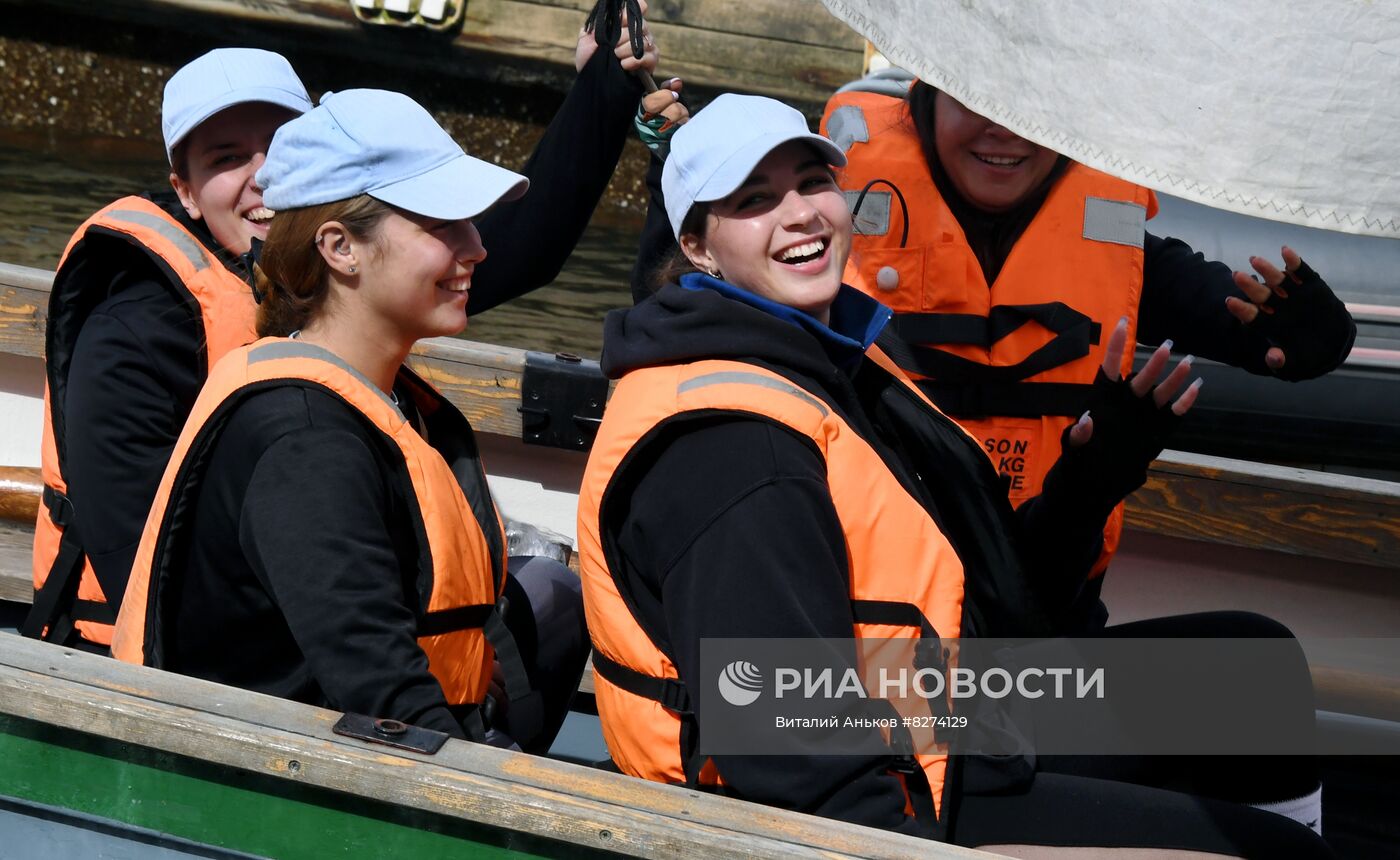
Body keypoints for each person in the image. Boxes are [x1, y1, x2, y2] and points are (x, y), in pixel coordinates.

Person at [578, 94, 1331, 855]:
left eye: (813, 184)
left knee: (1252, 668)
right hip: (890, 791)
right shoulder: (740, 455)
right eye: (754, 201)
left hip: (944, 703)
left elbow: (1005, 605)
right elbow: (794, 757)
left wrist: (1100, 467)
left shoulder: (835, 366)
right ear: (698, 248)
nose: (801, 213)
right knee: (1286, 857)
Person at [29, 25, 666, 651]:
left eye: (280, 146)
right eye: (226, 159)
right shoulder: (128, 336)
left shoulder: (339, 273)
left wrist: (603, 87)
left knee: (552, 593)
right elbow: (140, 568)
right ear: (185, 191)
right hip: (162, 659)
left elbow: (521, 242)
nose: (262, 176)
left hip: (336, 609)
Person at [110, 89, 586, 751]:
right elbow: (389, 705)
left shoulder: (369, 399)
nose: (477, 247)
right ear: (339, 248)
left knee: (556, 597)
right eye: (441, 225)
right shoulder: (306, 443)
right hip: (269, 800)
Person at [819, 81, 1357, 628]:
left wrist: (1317, 335)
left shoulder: (1116, 253)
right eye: (975, 97)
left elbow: (1263, 334)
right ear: (928, 102)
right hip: (882, 640)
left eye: (1027, 102)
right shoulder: (819, 244)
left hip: (1038, 629)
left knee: (1255, 651)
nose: (1003, 128)